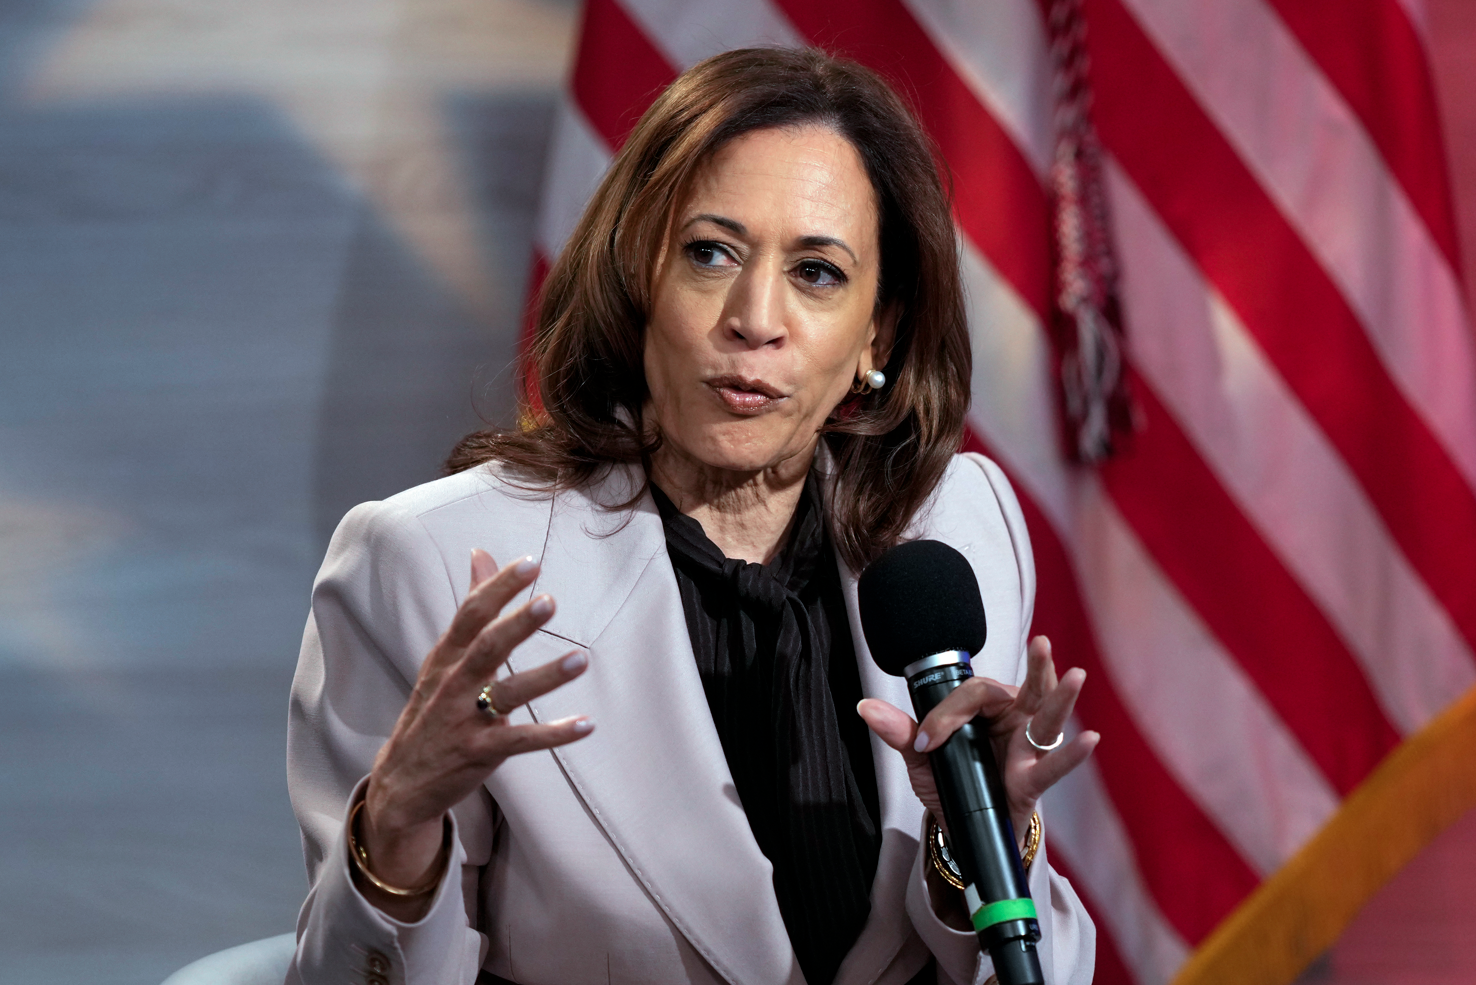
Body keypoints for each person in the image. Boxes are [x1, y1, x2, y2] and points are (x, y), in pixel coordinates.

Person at [286, 46, 1100, 985]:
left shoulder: (955, 527)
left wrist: (982, 845)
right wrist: (392, 835)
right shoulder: (431, 562)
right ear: (639, 280)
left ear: (878, 331)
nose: (756, 318)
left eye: (818, 272)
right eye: (710, 253)